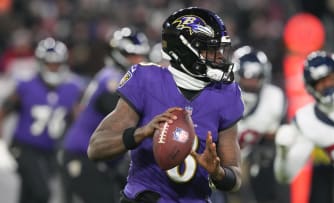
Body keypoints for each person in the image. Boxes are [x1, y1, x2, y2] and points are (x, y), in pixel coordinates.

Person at [87, 7, 244, 202]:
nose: (219, 56)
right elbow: (96, 148)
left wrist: (218, 172)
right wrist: (141, 133)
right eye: (210, 49)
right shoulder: (147, 79)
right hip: (146, 197)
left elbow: (235, 177)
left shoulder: (226, 93)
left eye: (220, 49)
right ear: (185, 49)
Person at [61, 26, 150, 203]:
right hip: (84, 154)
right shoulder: (111, 78)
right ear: (117, 53)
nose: (138, 60)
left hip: (102, 156)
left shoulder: (116, 76)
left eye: (141, 55)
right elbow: (119, 111)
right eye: (132, 55)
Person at [0, 37, 83, 203]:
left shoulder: (72, 88)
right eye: (49, 63)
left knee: (29, 193)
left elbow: (79, 121)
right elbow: (3, 111)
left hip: (51, 150)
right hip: (24, 146)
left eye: (57, 63)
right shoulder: (25, 85)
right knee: (41, 192)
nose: (53, 68)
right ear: (40, 63)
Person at [274, 51, 334, 203]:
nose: (326, 85)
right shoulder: (307, 120)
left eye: (330, 78)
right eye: (319, 82)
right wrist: (283, 152)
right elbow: (286, 176)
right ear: (310, 87)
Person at [231, 46, 288, 203]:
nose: (250, 82)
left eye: (255, 77)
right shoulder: (219, 96)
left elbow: (277, 136)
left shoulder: (273, 99)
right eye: (246, 76)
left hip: (250, 162)